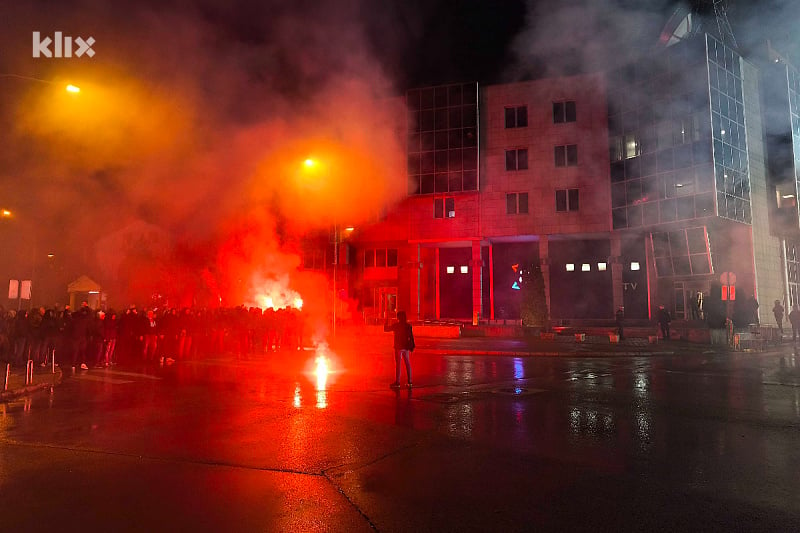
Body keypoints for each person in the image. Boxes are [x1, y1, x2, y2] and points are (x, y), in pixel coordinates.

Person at [384, 310, 415, 389]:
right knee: (407, 364)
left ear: (398, 317)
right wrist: (412, 346)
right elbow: (411, 337)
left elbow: (386, 329)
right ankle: (410, 381)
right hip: (406, 347)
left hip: (398, 347)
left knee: (398, 365)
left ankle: (398, 382)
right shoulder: (408, 326)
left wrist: (386, 321)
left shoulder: (396, 326)